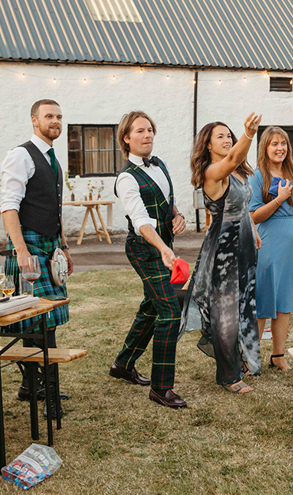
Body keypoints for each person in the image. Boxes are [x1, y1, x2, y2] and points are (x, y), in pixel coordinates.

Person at [0, 99, 74, 418]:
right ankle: (50, 397)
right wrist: (21, 251)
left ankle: (31, 386)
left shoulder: (53, 159)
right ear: (34, 120)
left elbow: (54, 209)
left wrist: (65, 246)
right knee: (37, 323)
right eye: (49, 116)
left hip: (49, 244)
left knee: (41, 321)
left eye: (58, 116)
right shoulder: (21, 155)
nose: (55, 121)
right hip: (28, 247)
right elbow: (9, 206)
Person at [109, 111, 188, 409]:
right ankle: (161, 388)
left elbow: (169, 201)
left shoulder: (161, 164)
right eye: (140, 131)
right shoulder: (126, 178)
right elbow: (141, 219)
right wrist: (163, 248)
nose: (147, 135)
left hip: (164, 245)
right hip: (144, 249)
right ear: (126, 138)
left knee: (152, 306)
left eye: (150, 130)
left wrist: (177, 216)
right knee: (170, 311)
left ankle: (123, 364)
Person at [183, 114, 263, 394]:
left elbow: (242, 208)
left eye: (230, 135)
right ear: (207, 145)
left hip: (243, 243)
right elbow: (230, 161)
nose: (227, 139)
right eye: (221, 136)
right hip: (223, 249)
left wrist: (252, 231)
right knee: (225, 312)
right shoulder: (212, 172)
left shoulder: (239, 173)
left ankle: (241, 360)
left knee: (243, 304)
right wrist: (249, 134)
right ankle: (229, 377)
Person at [249, 127, 293, 372]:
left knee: (284, 301)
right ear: (265, 148)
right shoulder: (257, 176)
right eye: (274, 144)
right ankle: (251, 356)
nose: (280, 148)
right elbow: (254, 217)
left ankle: (278, 355)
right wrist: (278, 199)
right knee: (264, 299)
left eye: (283, 144)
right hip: (269, 243)